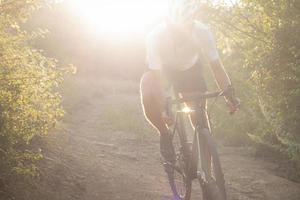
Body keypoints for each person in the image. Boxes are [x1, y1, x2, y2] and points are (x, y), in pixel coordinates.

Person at [140, 0, 240, 162]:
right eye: (175, 30)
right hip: (162, 71)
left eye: (186, 28)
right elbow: (158, 77)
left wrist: (229, 94)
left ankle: (209, 167)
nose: (180, 34)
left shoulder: (202, 32)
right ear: (167, 23)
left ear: (192, 23)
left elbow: (216, 67)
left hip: (189, 70)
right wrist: (163, 104)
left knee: (198, 115)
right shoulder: (155, 36)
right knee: (148, 92)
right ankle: (164, 134)